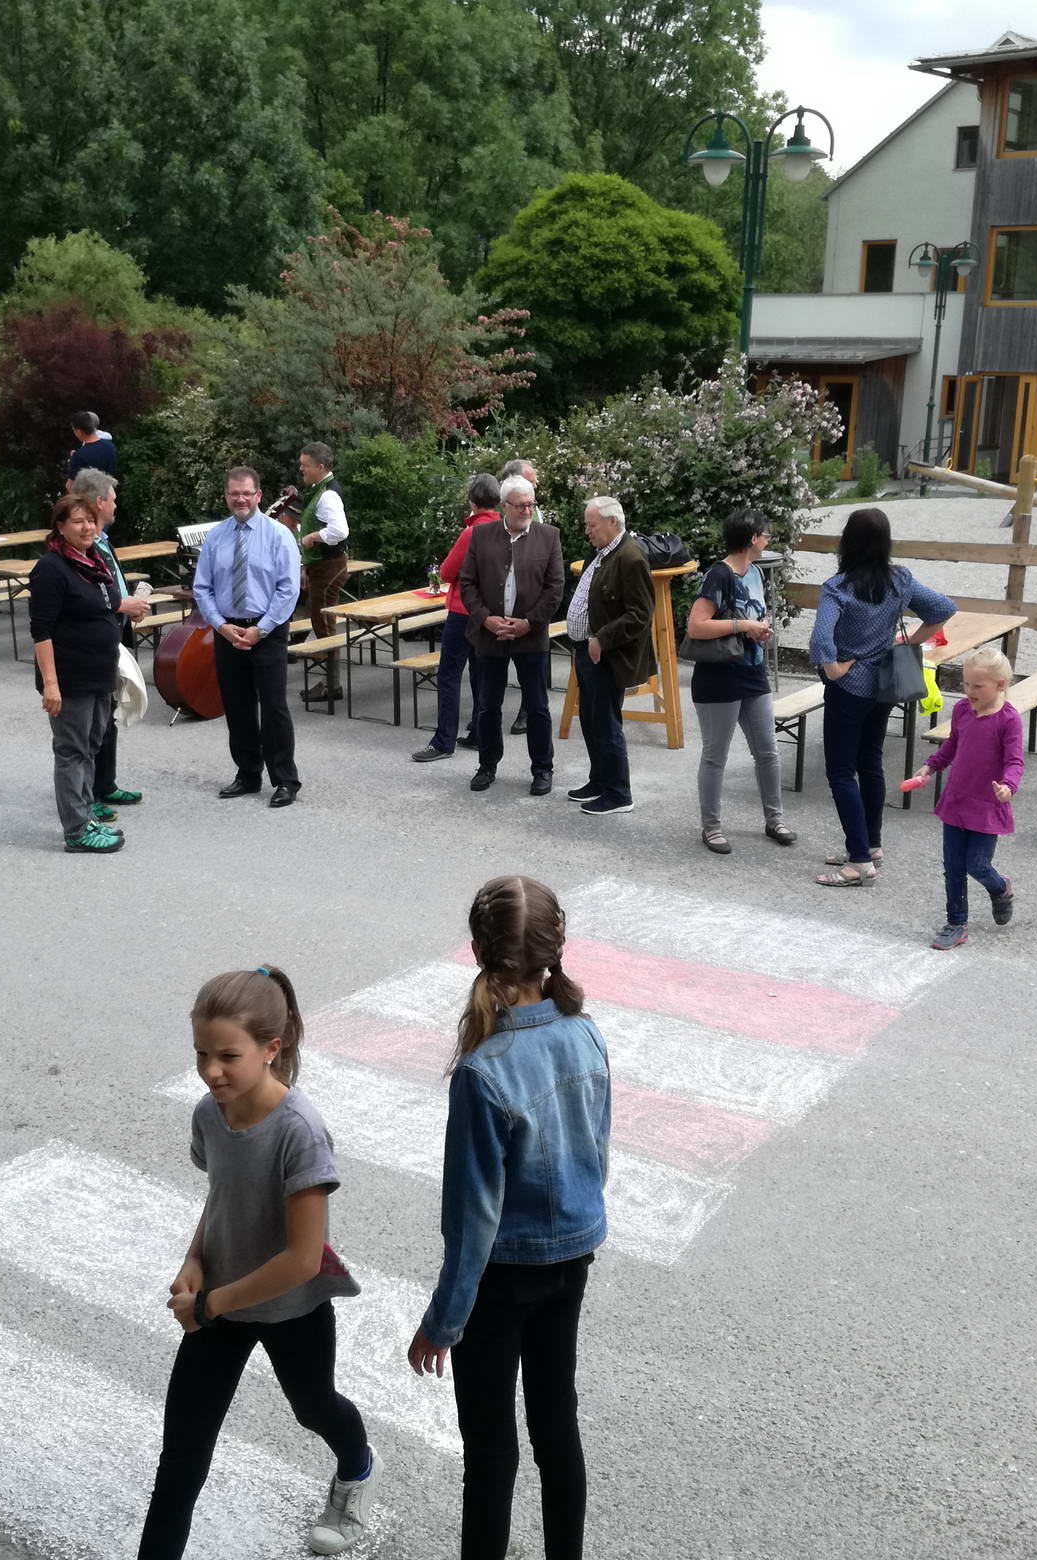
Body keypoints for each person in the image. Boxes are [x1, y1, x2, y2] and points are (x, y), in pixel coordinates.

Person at [139, 964, 378, 1559]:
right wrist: (195, 1257)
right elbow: (223, 1196)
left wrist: (210, 1304)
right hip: (218, 1304)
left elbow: (302, 1259)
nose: (210, 1071)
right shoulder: (209, 1113)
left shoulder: (300, 1131)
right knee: (181, 1461)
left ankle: (357, 1465)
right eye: (201, 1054)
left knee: (314, 1407)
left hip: (291, 1309)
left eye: (228, 1056)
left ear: (272, 1048)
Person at [408, 876, 608, 1560]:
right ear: (557, 947)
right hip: (572, 1259)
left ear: (477, 951)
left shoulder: (483, 1070)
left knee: (491, 1452)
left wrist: (442, 1321)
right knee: (557, 1426)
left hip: (502, 1279)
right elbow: (597, 1150)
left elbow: (472, 1220)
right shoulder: (585, 1033)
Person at [806, 508, 958, 887]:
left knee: (841, 771)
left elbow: (821, 637)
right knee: (870, 762)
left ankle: (859, 862)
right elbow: (943, 608)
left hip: (848, 688)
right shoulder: (899, 580)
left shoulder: (838, 587)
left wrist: (833, 668)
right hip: (885, 686)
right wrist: (909, 643)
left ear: (848, 541)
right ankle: (871, 845)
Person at [193, 466, 302, 808]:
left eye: (246, 493)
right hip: (228, 630)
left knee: (273, 706)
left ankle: (285, 779)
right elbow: (202, 588)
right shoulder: (216, 536)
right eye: (234, 493)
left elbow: (288, 589)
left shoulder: (278, 535)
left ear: (258, 495)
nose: (240, 499)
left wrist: (260, 629)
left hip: (267, 630)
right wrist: (220, 626)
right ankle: (248, 773)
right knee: (237, 705)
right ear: (226, 496)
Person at [686, 509, 794, 852]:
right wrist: (744, 626)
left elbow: (754, 615)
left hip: (753, 672)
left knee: (768, 750)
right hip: (719, 676)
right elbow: (696, 626)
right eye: (765, 534)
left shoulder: (756, 572)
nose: (768, 539)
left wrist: (760, 630)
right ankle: (711, 827)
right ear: (753, 539)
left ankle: (775, 819)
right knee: (715, 755)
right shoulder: (719, 575)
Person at [31, 495, 128, 854]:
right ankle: (76, 830)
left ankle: (86, 815)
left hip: (99, 674)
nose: (87, 527)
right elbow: (41, 631)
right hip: (70, 679)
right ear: (60, 526)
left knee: (90, 748)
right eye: (78, 521)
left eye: (90, 520)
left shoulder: (94, 562)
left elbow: (106, 606)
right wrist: (51, 685)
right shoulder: (51, 569)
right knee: (72, 751)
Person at [459, 476, 564, 796]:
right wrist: (486, 619)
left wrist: (529, 623)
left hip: (530, 636)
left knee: (538, 706)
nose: (527, 511)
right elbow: (467, 583)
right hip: (489, 635)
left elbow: (555, 588)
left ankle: (542, 769)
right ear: (504, 506)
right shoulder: (481, 535)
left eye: (531, 504)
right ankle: (487, 765)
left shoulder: (549, 536)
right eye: (520, 506)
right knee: (488, 705)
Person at [911, 648, 1022, 951]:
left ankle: (1000, 887)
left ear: (1000, 684)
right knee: (953, 866)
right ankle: (956, 923)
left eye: (977, 686)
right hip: (957, 801)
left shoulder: (1009, 720)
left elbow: (1015, 761)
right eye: (966, 684)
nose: (969, 691)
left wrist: (1009, 786)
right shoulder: (962, 710)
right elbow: (952, 746)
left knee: (977, 865)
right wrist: (931, 765)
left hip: (987, 806)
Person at [69, 467, 153, 821]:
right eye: (113, 499)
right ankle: (87, 796)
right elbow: (88, 596)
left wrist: (128, 606)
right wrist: (123, 605)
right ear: (100, 501)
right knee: (91, 725)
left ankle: (106, 783)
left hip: (113, 634)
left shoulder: (103, 540)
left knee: (108, 715)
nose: (117, 505)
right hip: (92, 642)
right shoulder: (82, 546)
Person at [566, 497, 656, 817]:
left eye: (592, 525)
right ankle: (600, 780)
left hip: (607, 655)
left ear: (612, 522)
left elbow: (641, 614)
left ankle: (619, 793)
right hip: (586, 651)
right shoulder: (602, 551)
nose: (587, 531)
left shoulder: (631, 557)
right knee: (591, 720)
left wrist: (602, 639)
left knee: (606, 722)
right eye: (587, 525)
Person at [412, 474, 502, 763]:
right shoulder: (503, 529)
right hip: (489, 612)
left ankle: (443, 740)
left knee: (450, 675)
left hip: (463, 611)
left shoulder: (472, 533)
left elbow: (447, 572)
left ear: (472, 499)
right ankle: (479, 732)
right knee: (480, 674)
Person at [281, 442, 350, 705]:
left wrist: (312, 537)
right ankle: (331, 684)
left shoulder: (328, 494)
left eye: (305, 465)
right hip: (322, 565)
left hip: (328, 566)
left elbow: (339, 531)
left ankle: (332, 686)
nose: (301, 469)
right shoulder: (320, 489)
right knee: (322, 621)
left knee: (323, 623)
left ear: (320, 467)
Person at [498, 459, 549, 737]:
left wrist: (531, 619)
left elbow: (551, 579)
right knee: (491, 674)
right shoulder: (495, 524)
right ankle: (484, 721)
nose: (535, 485)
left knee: (532, 677)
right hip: (498, 617)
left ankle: (526, 711)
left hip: (530, 616)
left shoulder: (536, 517)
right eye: (530, 481)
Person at [66, 411, 118, 481]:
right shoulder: (111, 446)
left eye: (73, 430)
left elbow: (71, 485)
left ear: (79, 431)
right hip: (109, 486)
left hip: (90, 488)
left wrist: (73, 462)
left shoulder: (79, 455)